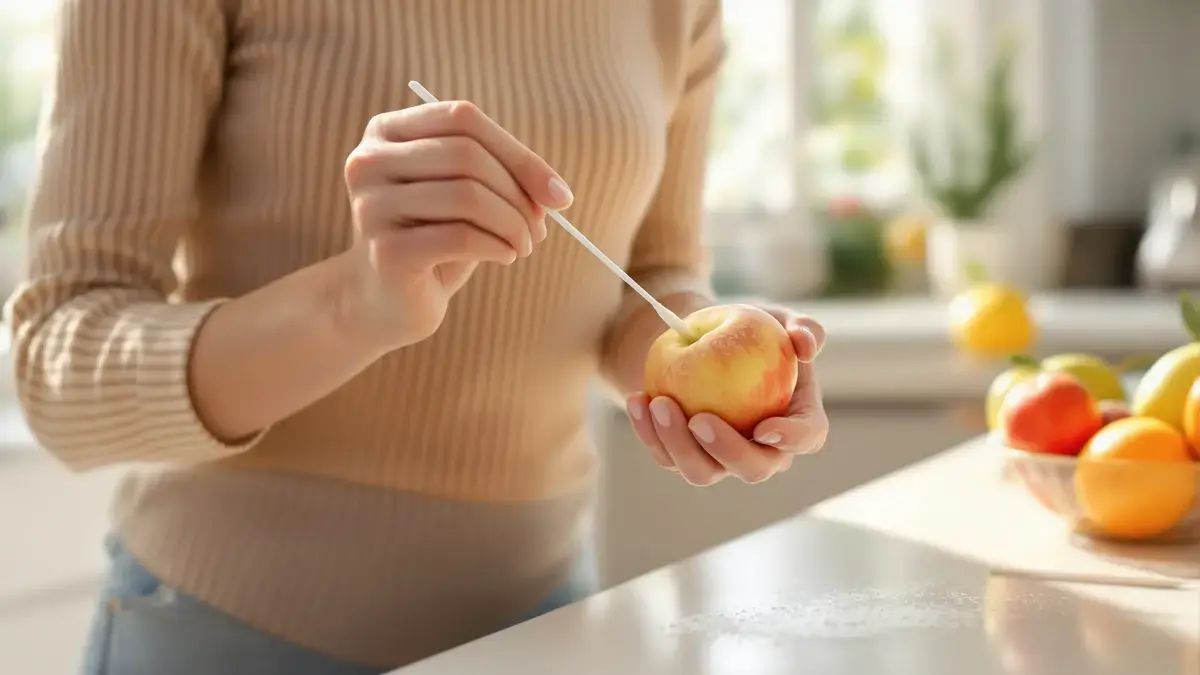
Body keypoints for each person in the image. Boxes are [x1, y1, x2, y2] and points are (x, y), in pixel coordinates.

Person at [4, 0, 829, 673]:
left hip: (544, 628)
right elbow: (57, 362)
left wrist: (711, 381)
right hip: (229, 638)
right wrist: (352, 304)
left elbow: (651, 274)